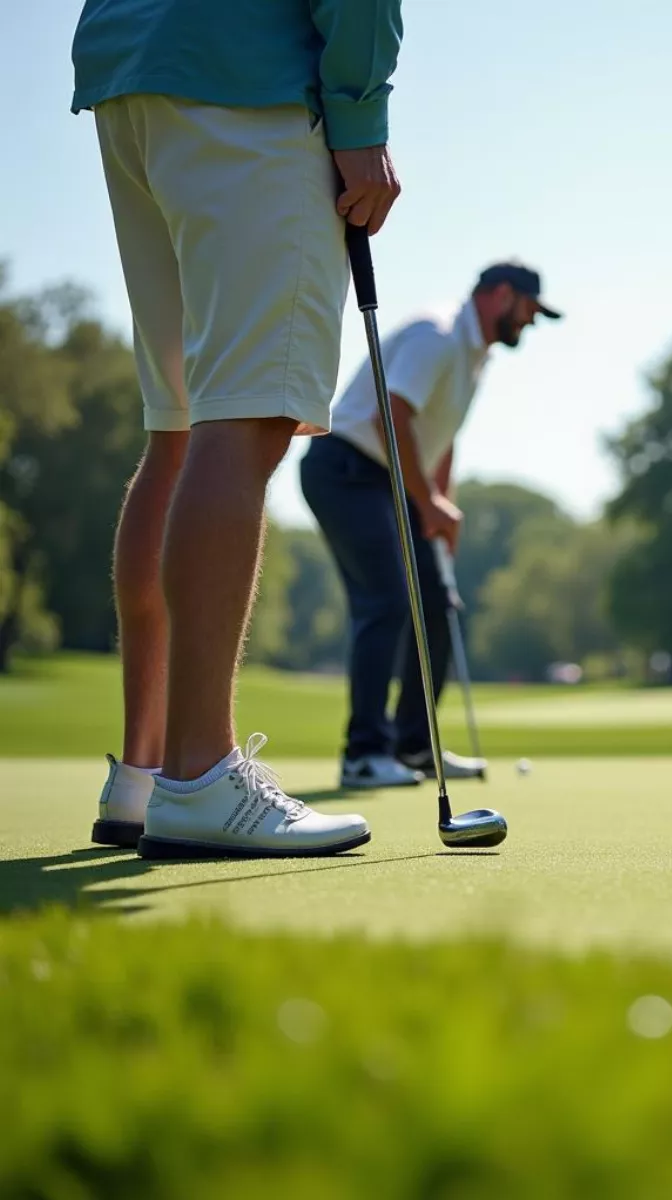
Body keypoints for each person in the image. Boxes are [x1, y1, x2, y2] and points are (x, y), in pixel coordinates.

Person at [75, 0, 404, 857]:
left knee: (175, 427)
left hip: (127, 79)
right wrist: (361, 114)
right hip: (247, 86)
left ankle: (143, 775)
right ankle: (200, 778)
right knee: (243, 418)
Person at [301, 263, 562, 789]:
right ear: (501, 295)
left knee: (437, 605)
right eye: (529, 310)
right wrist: (429, 502)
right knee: (389, 602)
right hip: (347, 469)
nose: (530, 323)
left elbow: (439, 437)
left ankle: (415, 746)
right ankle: (365, 754)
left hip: (391, 477)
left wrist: (439, 506)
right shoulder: (438, 335)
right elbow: (389, 417)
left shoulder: (475, 355)